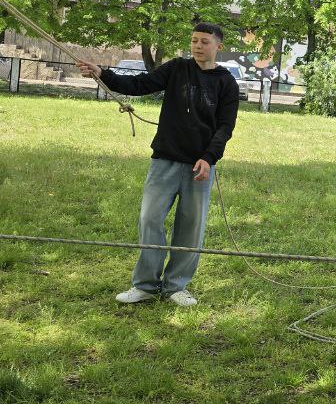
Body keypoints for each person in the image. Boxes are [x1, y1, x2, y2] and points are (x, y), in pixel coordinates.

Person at [77, 23, 240, 306]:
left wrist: (208, 158)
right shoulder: (177, 68)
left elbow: (225, 127)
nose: (197, 46)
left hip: (199, 166)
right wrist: (102, 73)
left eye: (204, 41)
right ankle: (145, 286)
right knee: (150, 219)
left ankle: (176, 286)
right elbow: (139, 84)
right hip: (165, 158)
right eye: (194, 41)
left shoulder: (226, 82)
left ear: (218, 46)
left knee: (190, 227)